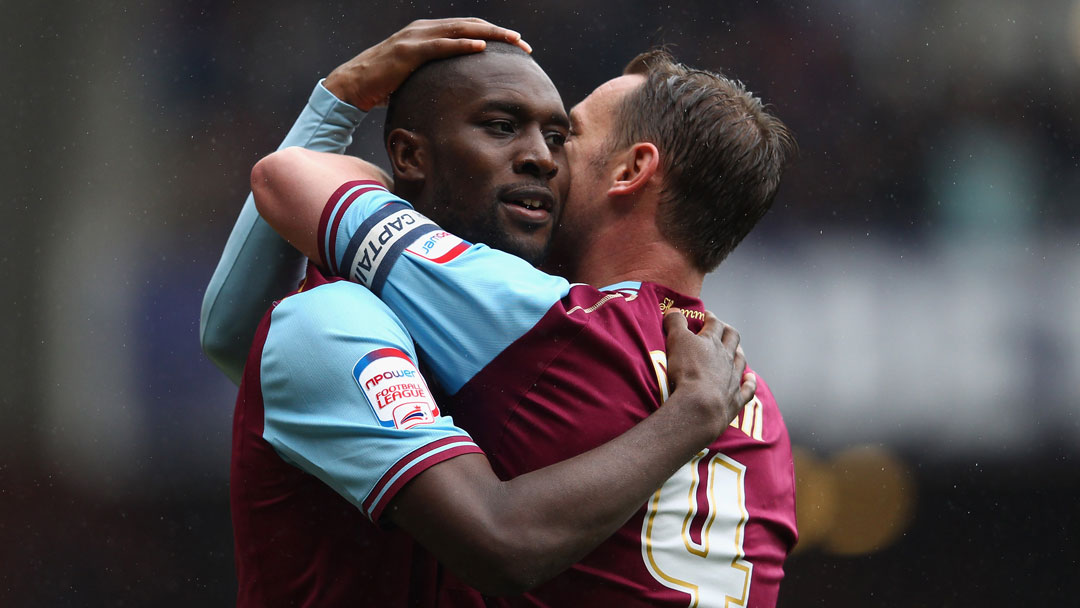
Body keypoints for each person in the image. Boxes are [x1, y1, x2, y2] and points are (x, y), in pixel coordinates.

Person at [204, 19, 757, 607]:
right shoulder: (334, 318)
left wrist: (339, 102)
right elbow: (502, 540)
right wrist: (692, 413)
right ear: (409, 156)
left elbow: (230, 335)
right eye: (501, 127)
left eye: (558, 136)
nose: (542, 159)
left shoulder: (539, 330)